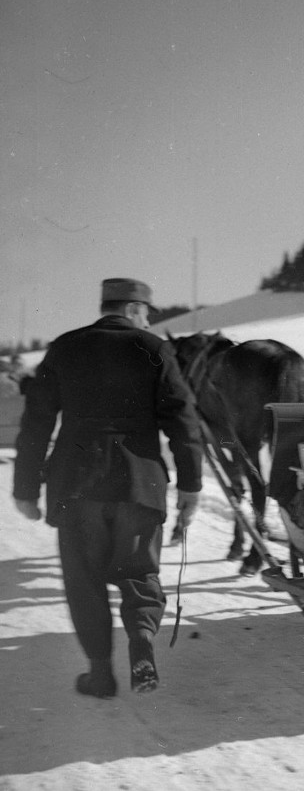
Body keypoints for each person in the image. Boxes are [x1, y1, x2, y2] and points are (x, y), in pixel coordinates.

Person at [12, 278, 204, 699]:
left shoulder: (65, 346)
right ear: (135, 309)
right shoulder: (154, 349)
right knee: (140, 572)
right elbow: (183, 420)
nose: (149, 321)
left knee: (83, 579)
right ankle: (142, 641)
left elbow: (37, 421)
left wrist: (24, 487)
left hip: (76, 484)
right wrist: (191, 485)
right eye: (148, 313)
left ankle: (100, 673)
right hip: (139, 483)